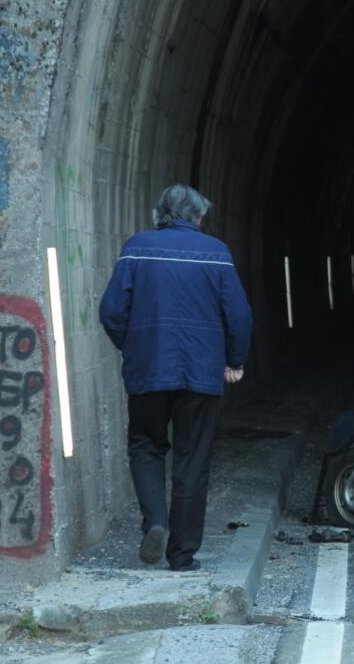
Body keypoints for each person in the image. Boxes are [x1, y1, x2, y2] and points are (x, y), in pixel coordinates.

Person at [99, 184, 252, 571]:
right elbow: (240, 315)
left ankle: (155, 521)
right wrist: (235, 360)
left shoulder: (137, 247)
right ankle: (182, 556)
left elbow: (111, 311)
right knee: (193, 458)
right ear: (197, 216)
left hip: (149, 369)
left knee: (146, 445)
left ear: (159, 215)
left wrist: (132, 346)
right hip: (201, 374)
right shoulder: (216, 253)